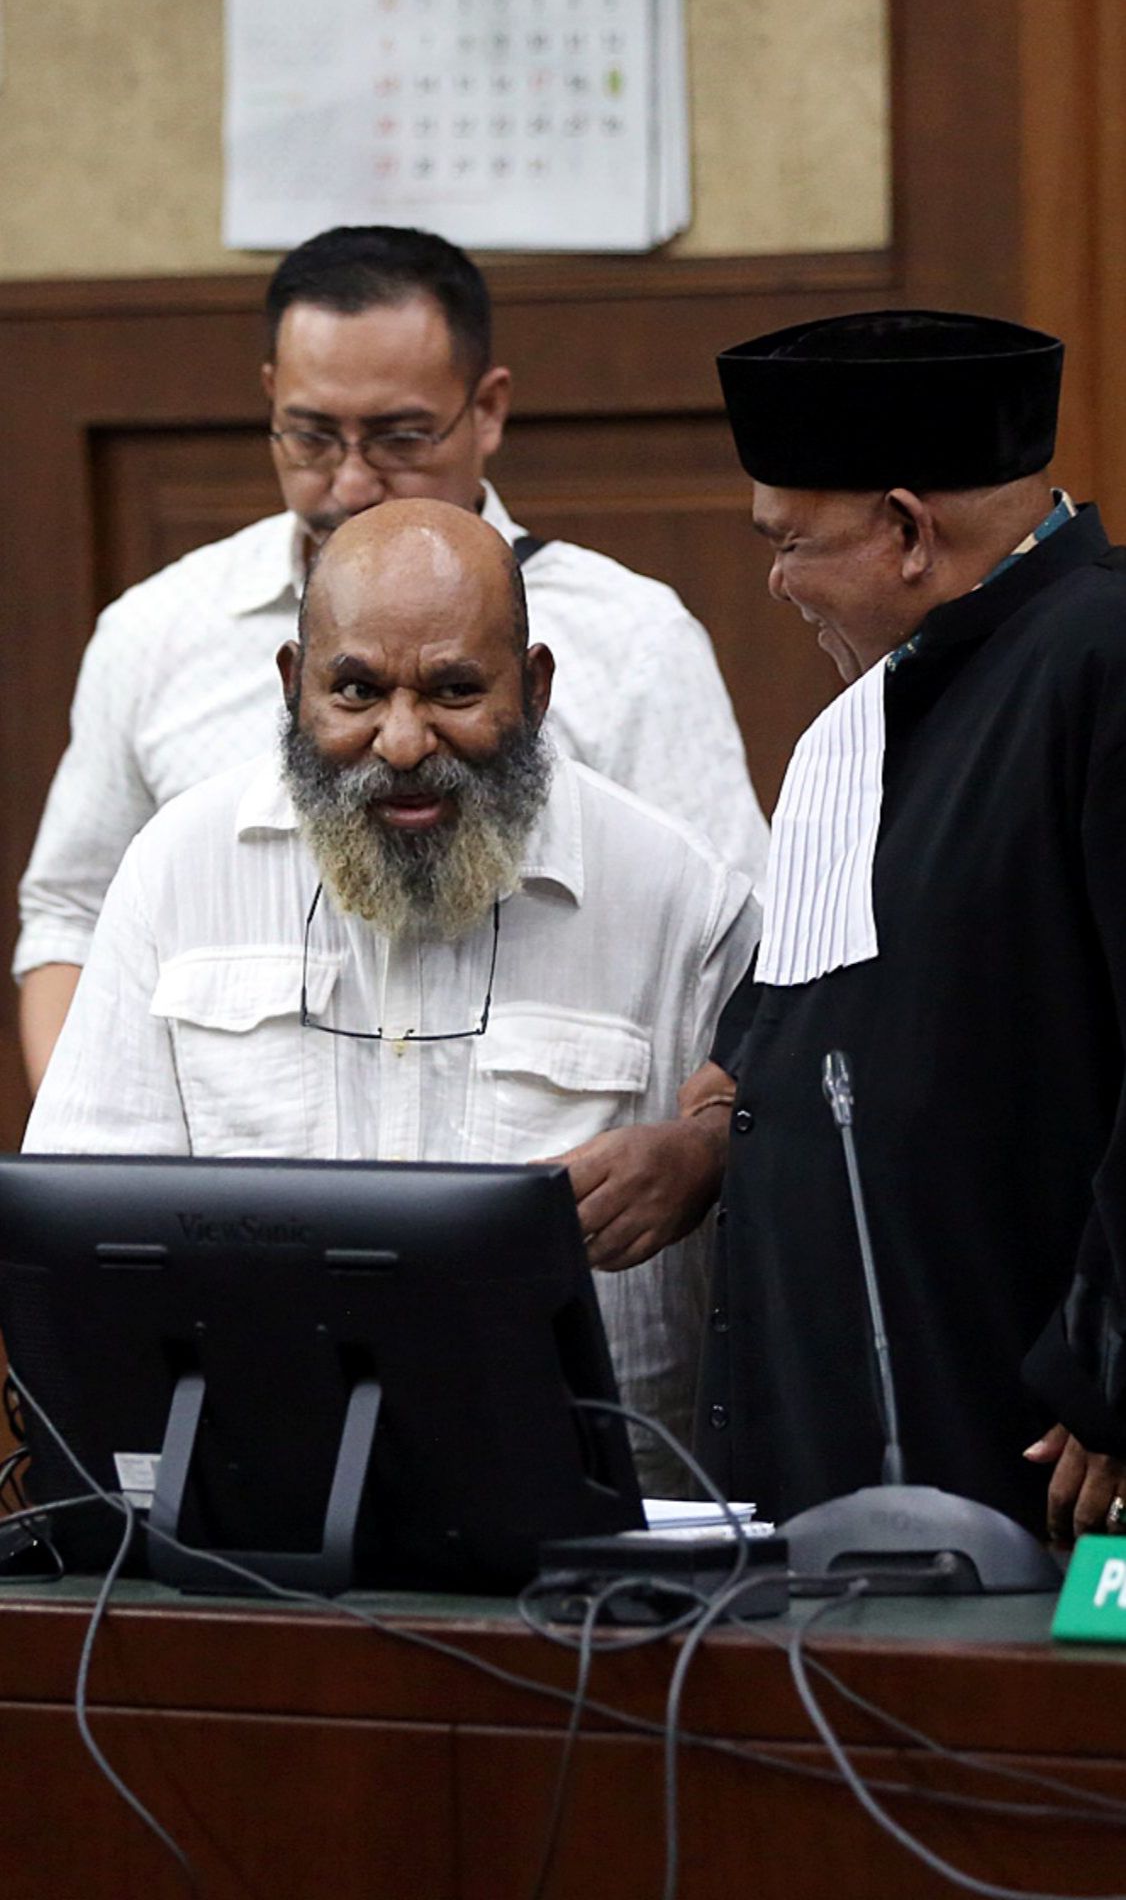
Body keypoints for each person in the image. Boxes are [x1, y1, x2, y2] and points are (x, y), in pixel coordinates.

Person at [24, 499, 759, 1495]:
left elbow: (787, 1214)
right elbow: (78, 1242)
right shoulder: (177, 873)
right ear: (294, 688)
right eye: (356, 690)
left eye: (455, 689)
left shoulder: (679, 897)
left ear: (535, 689)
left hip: (595, 1551)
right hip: (249, 1529)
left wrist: (709, 1154)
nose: (404, 740)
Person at [15, 224, 768, 1091]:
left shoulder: (635, 637)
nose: (350, 483)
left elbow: (734, 946)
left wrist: (691, 1152)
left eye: (400, 438)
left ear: (486, 410)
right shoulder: (157, 631)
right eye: (309, 437)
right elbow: (71, 916)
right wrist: (98, 1161)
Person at [682, 308, 1126, 1544]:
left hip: (1032, 1444)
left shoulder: (1102, 658)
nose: (773, 580)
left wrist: (1112, 1381)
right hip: (848, 1443)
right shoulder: (882, 706)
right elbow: (805, 1030)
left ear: (906, 529)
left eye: (789, 542)